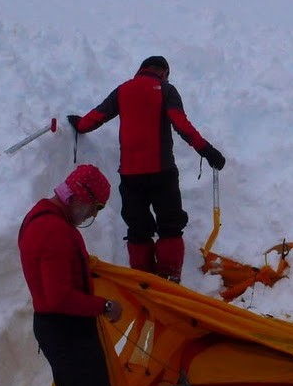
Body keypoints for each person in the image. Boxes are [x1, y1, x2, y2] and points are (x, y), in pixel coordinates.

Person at [68, 56, 226, 283]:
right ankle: (169, 280)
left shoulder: (123, 90)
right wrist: (208, 152)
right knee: (170, 227)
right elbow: (182, 125)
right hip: (163, 174)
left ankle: (143, 283)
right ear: (164, 72)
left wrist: (79, 124)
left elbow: (97, 117)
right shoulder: (167, 90)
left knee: (138, 229)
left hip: (130, 177)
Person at [18, 164, 124, 386]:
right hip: (68, 330)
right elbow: (59, 297)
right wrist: (104, 306)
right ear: (79, 196)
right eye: (94, 207)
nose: (92, 215)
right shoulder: (56, 233)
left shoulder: (38, 216)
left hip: (53, 329)